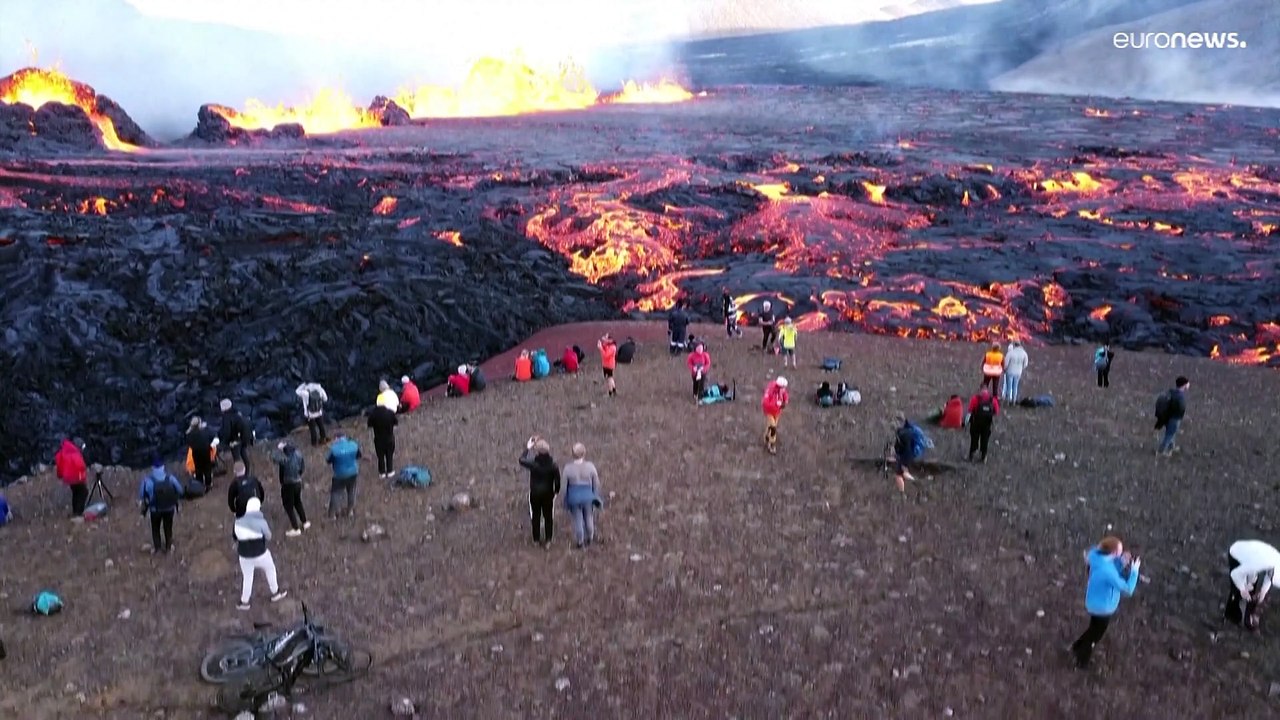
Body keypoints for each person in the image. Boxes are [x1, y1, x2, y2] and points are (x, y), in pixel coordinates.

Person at [1071, 536, 1140, 669]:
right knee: (1096, 635)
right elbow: (1127, 589)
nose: (1122, 553)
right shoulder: (1107, 571)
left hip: (1093, 602)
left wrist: (1120, 563)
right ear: (1113, 553)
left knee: (1093, 628)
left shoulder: (1096, 557)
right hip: (1103, 608)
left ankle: (1077, 646)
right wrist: (1134, 571)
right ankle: (1081, 660)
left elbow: (1111, 570)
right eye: (1120, 552)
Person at [233, 497, 288, 611]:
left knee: (247, 577)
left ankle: (244, 602)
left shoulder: (237, 522)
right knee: (270, 569)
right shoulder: (261, 522)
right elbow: (268, 536)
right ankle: (275, 592)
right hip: (260, 553)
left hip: (244, 555)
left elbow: (235, 537)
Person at [1225, 539, 1280, 630]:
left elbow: (1270, 576)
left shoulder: (1276, 564)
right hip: (1236, 554)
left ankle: (1248, 613)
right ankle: (1231, 615)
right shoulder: (1260, 564)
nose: (1269, 578)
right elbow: (1235, 574)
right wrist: (1242, 588)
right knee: (1236, 589)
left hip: (1253, 555)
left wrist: (1263, 592)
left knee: (1252, 584)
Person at [520, 437, 560, 549]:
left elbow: (521, 460)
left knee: (536, 516)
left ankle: (536, 539)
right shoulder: (553, 465)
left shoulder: (533, 463)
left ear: (537, 451)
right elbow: (557, 480)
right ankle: (548, 540)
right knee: (548, 517)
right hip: (548, 494)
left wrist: (527, 448)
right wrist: (556, 492)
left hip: (535, 494)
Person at [138, 459, 183, 554]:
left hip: (155, 510)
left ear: (152, 468)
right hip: (169, 508)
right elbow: (180, 490)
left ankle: (157, 548)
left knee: (155, 529)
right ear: (163, 467)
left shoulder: (147, 481)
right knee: (168, 528)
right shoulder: (171, 478)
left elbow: (142, 495)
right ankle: (168, 547)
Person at [563, 443, 602, 549]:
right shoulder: (590, 466)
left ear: (572, 454)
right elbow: (596, 483)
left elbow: (564, 486)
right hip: (588, 496)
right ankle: (590, 537)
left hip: (574, 497)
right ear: (584, 453)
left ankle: (580, 541)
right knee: (589, 518)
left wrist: (566, 499)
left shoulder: (568, 468)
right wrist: (595, 495)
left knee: (578, 520)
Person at [270, 441, 309, 536]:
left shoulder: (284, 459)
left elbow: (273, 458)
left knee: (288, 506)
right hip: (297, 482)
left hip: (288, 484)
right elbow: (302, 468)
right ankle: (305, 522)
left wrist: (278, 449)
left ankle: (295, 529)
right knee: (298, 502)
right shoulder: (298, 454)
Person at [326, 432, 362, 519]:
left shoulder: (334, 449)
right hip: (353, 472)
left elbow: (328, 460)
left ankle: (332, 515)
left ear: (337, 438)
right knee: (351, 492)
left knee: (336, 494)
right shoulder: (353, 445)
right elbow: (359, 456)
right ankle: (350, 511)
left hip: (339, 475)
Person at [1154, 376, 1189, 457]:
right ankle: (1161, 451)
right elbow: (1180, 408)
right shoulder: (1180, 396)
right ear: (1184, 385)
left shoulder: (1172, 392)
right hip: (1175, 418)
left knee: (1171, 432)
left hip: (1167, 417)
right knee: (1170, 434)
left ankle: (1171, 446)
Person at [55, 438, 88, 519]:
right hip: (75, 477)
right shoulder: (75, 454)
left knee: (76, 492)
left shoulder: (64, 452)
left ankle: (75, 511)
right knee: (83, 492)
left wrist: (60, 476)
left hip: (68, 478)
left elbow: (59, 466)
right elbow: (81, 466)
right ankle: (78, 513)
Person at [218, 399, 255, 473]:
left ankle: (239, 472)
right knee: (243, 452)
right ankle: (247, 470)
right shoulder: (237, 413)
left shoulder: (227, 417)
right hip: (244, 437)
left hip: (235, 439)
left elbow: (227, 432)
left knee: (236, 456)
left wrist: (223, 443)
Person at [367, 397, 398, 478]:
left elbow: (369, 424)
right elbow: (396, 422)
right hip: (389, 438)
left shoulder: (373, 414)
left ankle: (382, 472)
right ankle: (390, 470)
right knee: (389, 455)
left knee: (380, 456)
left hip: (378, 439)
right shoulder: (390, 413)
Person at [967, 387, 1000, 463]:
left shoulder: (975, 399)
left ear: (980, 390)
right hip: (987, 423)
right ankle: (984, 456)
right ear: (987, 391)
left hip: (976, 422)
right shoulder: (993, 400)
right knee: (985, 439)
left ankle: (972, 454)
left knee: (974, 438)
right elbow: (996, 411)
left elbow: (970, 410)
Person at [186, 418, 218, 489]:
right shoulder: (205, 431)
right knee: (207, 468)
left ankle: (200, 484)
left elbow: (189, 444)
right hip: (206, 452)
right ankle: (208, 484)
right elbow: (213, 438)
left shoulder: (189, 434)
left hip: (196, 453)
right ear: (199, 424)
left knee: (198, 468)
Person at [295, 381, 329, 446]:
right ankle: (323, 438)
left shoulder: (305, 392)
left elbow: (297, 391)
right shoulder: (320, 389)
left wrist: (303, 384)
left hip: (310, 414)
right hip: (319, 412)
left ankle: (314, 443)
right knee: (321, 426)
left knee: (312, 429)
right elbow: (325, 399)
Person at [761, 376, 789, 455]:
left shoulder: (781, 390)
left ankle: (767, 436)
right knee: (773, 427)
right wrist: (777, 404)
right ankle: (772, 444)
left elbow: (785, 394)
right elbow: (765, 403)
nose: (784, 389)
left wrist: (785, 401)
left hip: (777, 412)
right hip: (769, 411)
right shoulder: (770, 391)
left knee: (771, 426)